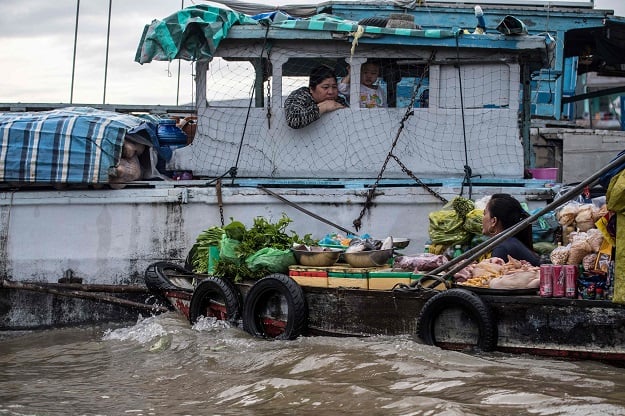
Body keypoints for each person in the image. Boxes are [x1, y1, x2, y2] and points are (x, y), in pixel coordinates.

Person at [482, 193, 541, 266]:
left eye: (484, 214)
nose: (482, 218)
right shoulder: (510, 243)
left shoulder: (502, 249)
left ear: (494, 221)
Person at [284, 65, 348, 129]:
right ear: (311, 89)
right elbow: (293, 119)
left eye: (334, 87)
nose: (331, 92)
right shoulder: (301, 95)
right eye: (325, 87)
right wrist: (323, 107)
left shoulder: (339, 100)